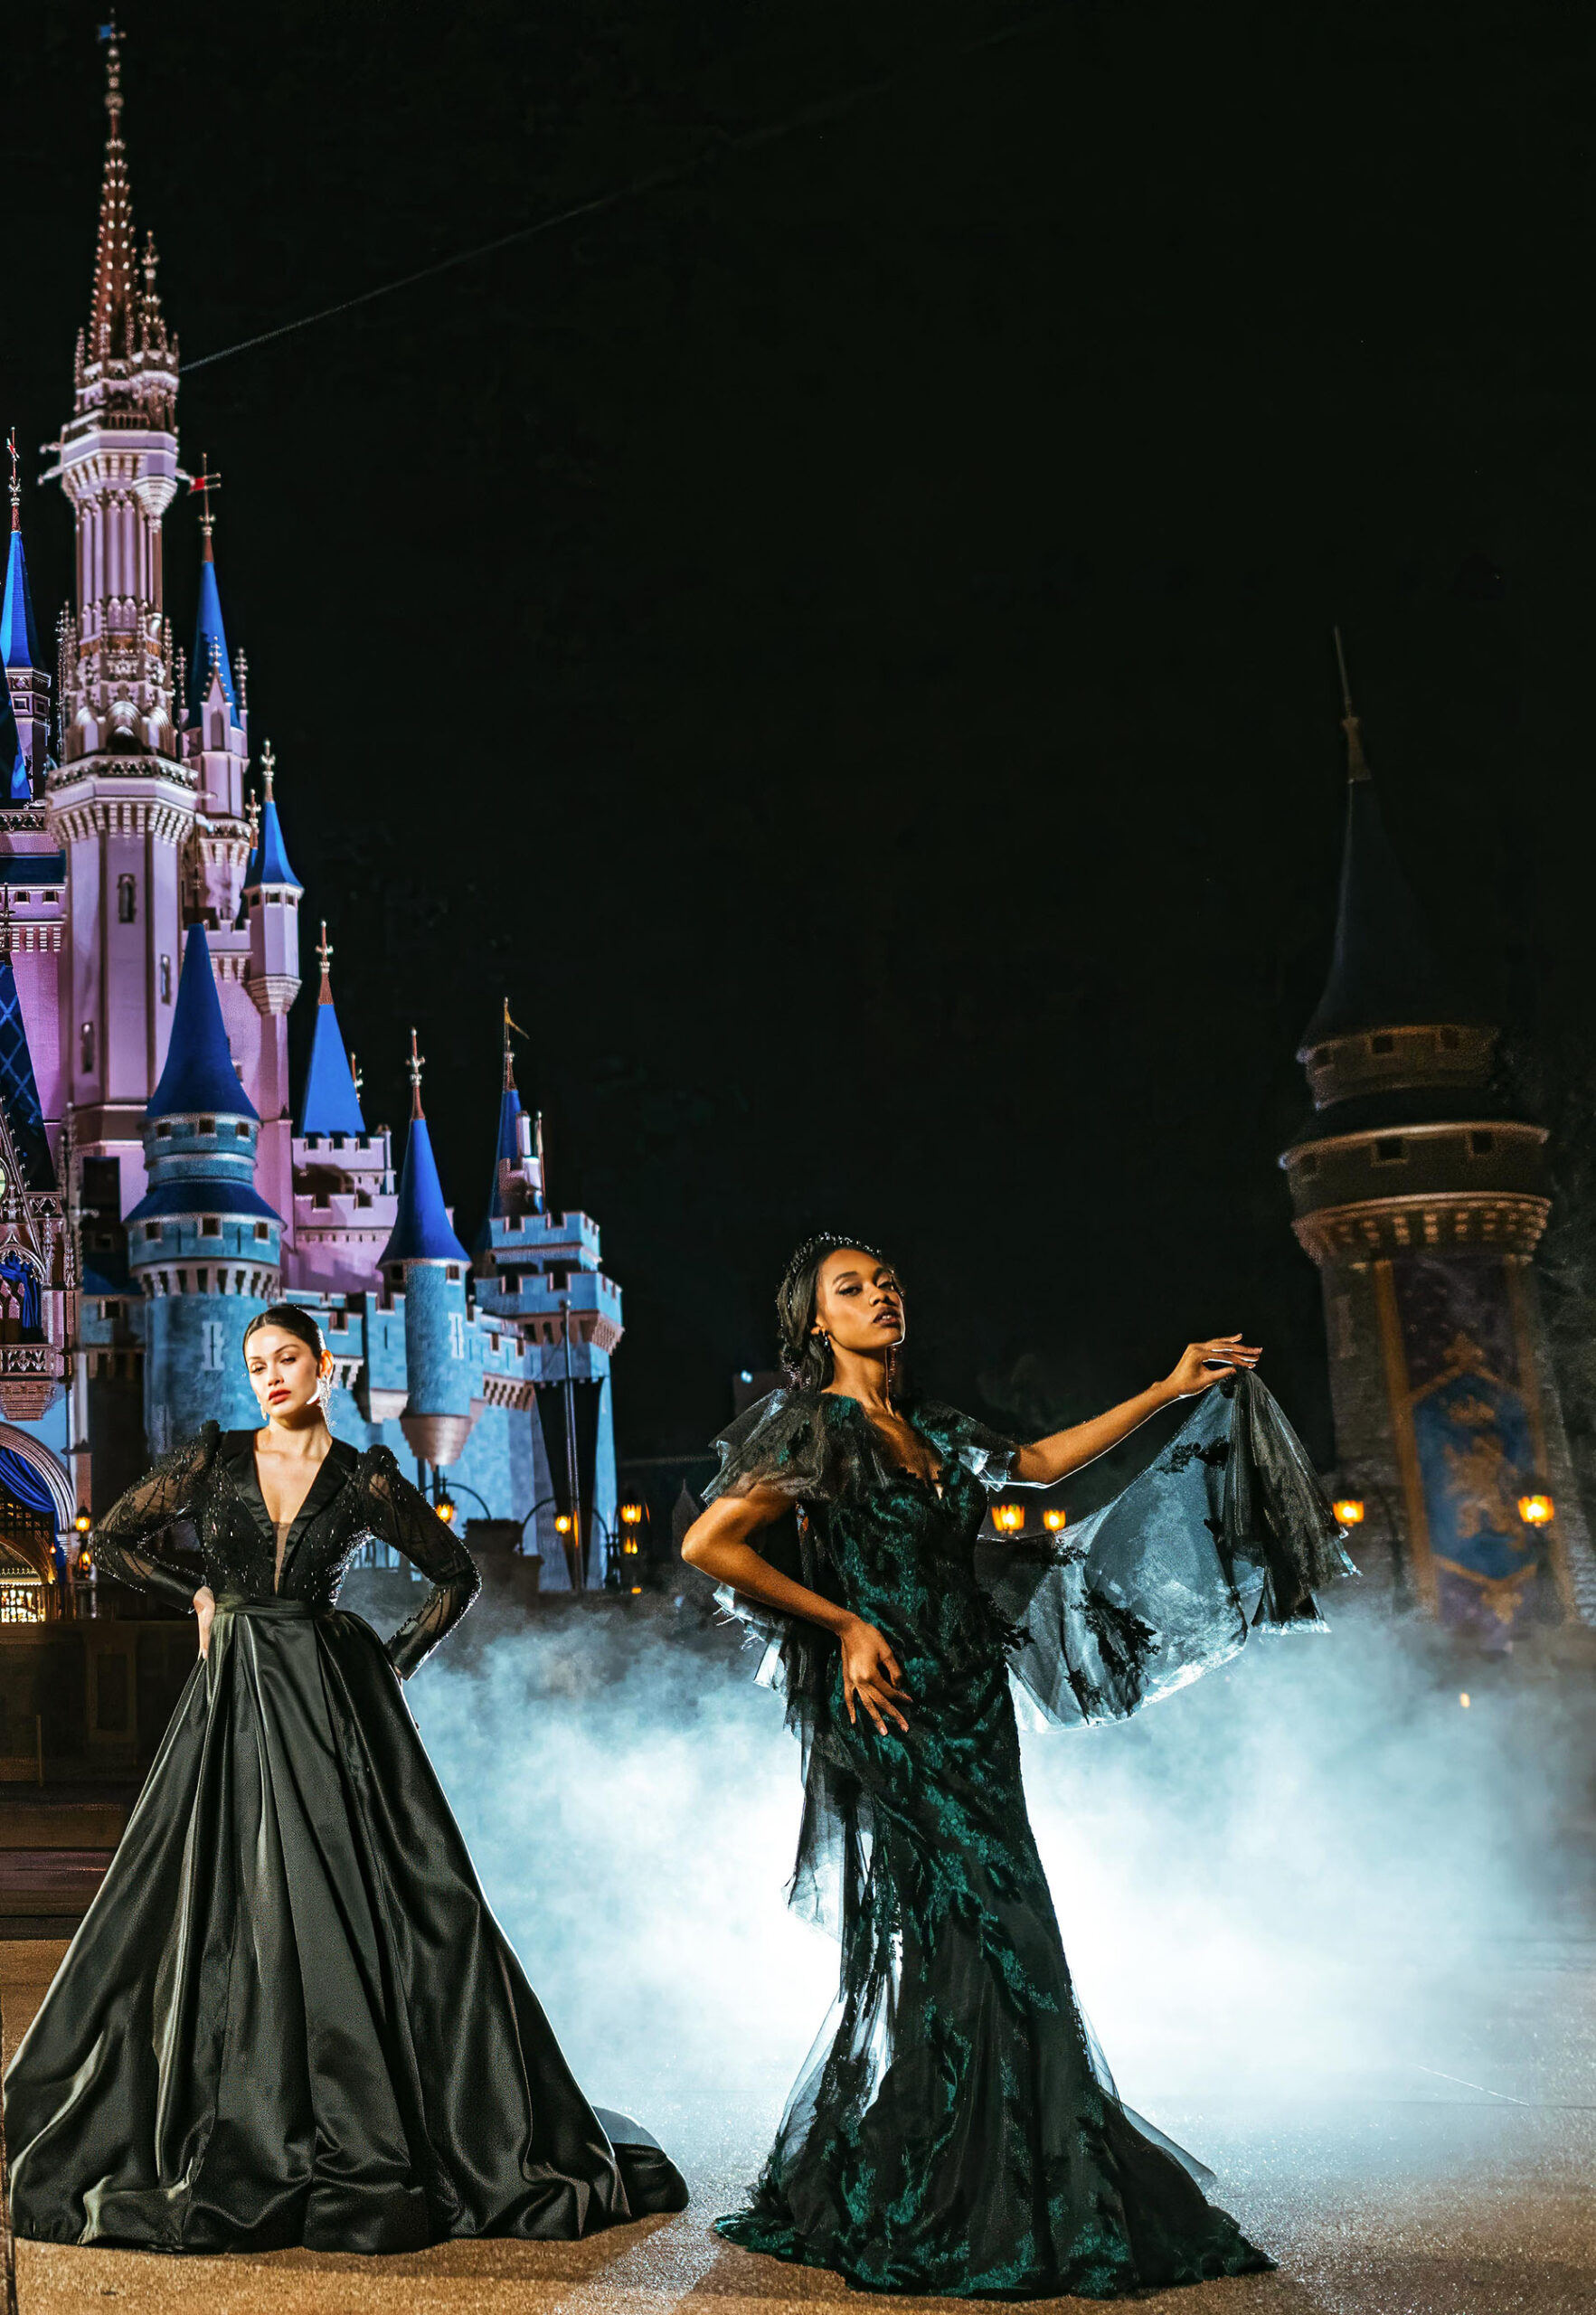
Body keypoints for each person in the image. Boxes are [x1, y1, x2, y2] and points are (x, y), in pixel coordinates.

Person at [680, 1235, 1354, 2301]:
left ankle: (992, 2174)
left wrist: (1167, 1389)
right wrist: (845, 1623)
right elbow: (711, 1543)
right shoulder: (812, 1427)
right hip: (894, 1704)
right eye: (851, 1289)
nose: (880, 1296)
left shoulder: (930, 1428)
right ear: (815, 1321)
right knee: (989, 1924)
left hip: (972, 1699)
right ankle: (970, 2188)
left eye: (887, 1281)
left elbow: (1037, 1465)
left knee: (984, 1925)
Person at [4, 1304, 686, 2254]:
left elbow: (455, 1575)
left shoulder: (365, 1477)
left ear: (325, 1367)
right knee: (209, 1893)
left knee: (379, 1900)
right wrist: (195, 1594)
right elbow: (112, 1540)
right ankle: (233, 2093)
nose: (269, 1377)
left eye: (286, 1358)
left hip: (329, 1702)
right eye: (256, 1364)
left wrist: (387, 1666)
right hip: (236, 1695)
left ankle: (365, 2100)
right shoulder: (212, 1461)